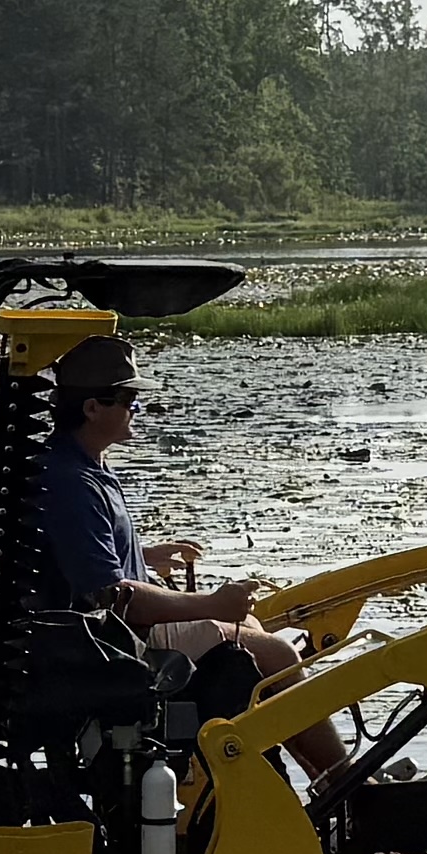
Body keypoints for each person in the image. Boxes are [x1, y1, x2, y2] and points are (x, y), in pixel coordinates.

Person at [33, 332, 354, 790]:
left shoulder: (82, 465)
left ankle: (325, 783)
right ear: (92, 408)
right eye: (128, 400)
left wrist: (144, 555)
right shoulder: (72, 483)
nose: (136, 410)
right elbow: (112, 595)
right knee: (280, 654)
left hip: (112, 628)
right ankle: (346, 787)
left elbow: (82, 556)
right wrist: (211, 605)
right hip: (114, 640)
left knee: (254, 629)